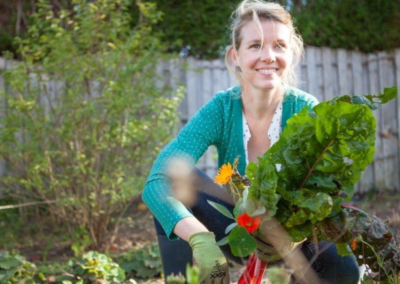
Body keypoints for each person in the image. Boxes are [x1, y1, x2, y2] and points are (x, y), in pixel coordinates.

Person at [142, 0, 361, 283]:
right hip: (236, 233)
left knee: (343, 267)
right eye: (255, 45)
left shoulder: (306, 110)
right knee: (172, 179)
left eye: (279, 45)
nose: (268, 56)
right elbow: (156, 181)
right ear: (235, 55)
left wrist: (299, 230)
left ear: (291, 55)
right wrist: (200, 238)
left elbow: (328, 192)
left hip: (294, 242)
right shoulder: (220, 110)